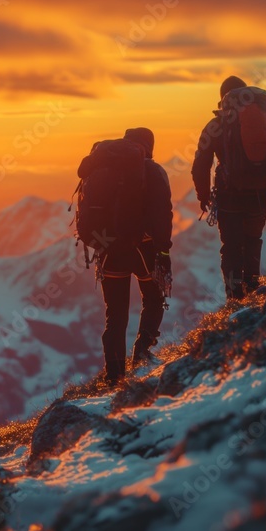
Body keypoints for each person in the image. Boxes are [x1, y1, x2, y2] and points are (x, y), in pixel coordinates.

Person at [78, 128, 174, 384]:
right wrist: (164, 251)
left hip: (109, 250)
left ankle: (115, 374)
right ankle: (142, 355)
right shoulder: (153, 172)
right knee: (153, 299)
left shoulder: (102, 170)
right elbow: (162, 214)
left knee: (115, 314)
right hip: (144, 248)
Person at [192, 75, 266, 300]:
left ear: (223, 98)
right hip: (259, 194)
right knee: (252, 240)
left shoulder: (217, 124)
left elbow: (200, 164)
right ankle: (253, 288)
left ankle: (234, 295)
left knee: (231, 245)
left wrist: (203, 195)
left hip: (228, 196)